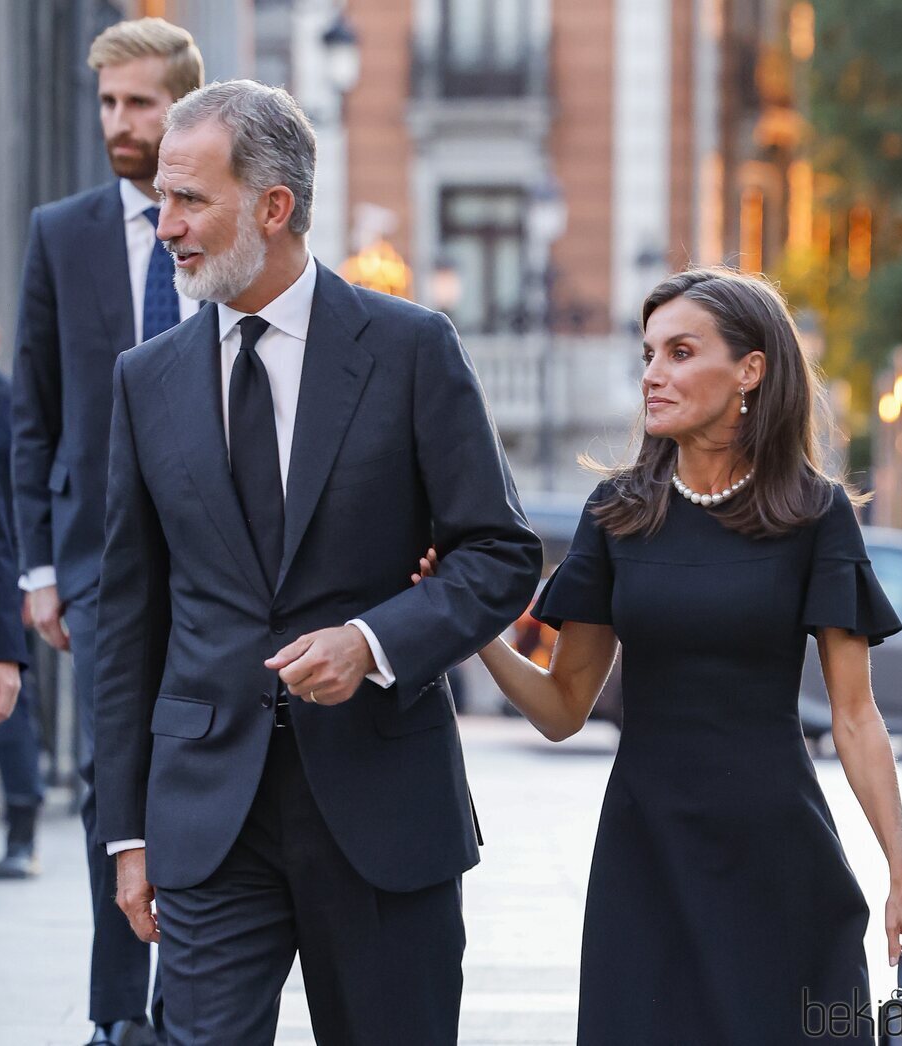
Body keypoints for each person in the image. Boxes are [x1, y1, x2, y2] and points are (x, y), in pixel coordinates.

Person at [92, 80, 541, 1046]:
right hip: (208, 819)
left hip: (383, 811)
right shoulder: (145, 380)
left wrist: (376, 641)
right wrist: (126, 834)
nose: (164, 225)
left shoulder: (413, 349)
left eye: (188, 200)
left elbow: (499, 552)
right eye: (162, 199)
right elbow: (129, 618)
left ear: (273, 206)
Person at [415, 267, 902, 1044]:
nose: (653, 374)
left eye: (681, 352)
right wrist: (473, 628)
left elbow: (856, 718)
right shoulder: (616, 515)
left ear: (750, 371)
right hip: (646, 856)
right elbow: (563, 710)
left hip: (779, 854)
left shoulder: (815, 515)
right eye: (649, 354)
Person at [12, 18, 204, 1045]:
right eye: (105, 103)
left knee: (200, 770)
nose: (117, 123)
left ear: (184, 104)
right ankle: (117, 1011)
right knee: (105, 777)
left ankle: (195, 993)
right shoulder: (62, 230)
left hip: (217, 557)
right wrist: (38, 567)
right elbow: (34, 412)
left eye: (138, 102)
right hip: (94, 558)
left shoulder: (224, 228)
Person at [0, 366, 42, 878]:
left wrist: (32, 577)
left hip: (8, 571)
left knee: (11, 702)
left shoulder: (5, 397)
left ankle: (23, 835)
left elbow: (15, 494)